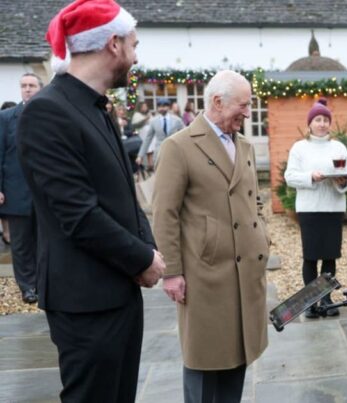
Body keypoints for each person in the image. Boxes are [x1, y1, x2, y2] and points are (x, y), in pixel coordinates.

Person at [16, 1, 165, 401]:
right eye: (134, 45)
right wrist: (142, 259)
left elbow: (123, 195)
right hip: (85, 301)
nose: (136, 56)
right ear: (113, 44)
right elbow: (78, 215)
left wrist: (147, 246)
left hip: (119, 289)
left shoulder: (96, 107)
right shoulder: (47, 111)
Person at [152, 70, 271, 403]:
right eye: (243, 105)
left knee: (239, 353)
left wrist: (262, 236)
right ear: (218, 102)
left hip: (246, 270)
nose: (248, 112)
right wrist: (171, 272)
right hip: (204, 273)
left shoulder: (244, 145)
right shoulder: (178, 147)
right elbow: (165, 213)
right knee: (204, 358)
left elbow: (254, 200)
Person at [284, 98, 347, 318]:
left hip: (333, 208)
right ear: (310, 124)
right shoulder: (300, 148)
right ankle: (310, 303)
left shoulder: (338, 148)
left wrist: (343, 182)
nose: (322, 124)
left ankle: (325, 299)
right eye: (317, 120)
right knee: (311, 256)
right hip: (309, 209)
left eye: (325, 120)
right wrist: (311, 177)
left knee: (329, 255)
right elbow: (290, 176)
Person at [0, 73, 43, 304]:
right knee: (21, 244)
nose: (27, 89)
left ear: (40, 88)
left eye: (32, 85)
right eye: (24, 85)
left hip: (44, 192)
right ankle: (27, 286)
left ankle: (43, 283)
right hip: (16, 191)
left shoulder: (50, 115)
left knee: (44, 241)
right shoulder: (6, 118)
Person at [136, 97, 184, 170]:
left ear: (168, 107)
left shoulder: (177, 120)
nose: (162, 108)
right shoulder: (154, 121)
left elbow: (184, 135)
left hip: (174, 152)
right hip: (159, 154)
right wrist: (140, 156)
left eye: (164, 106)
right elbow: (148, 139)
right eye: (160, 106)